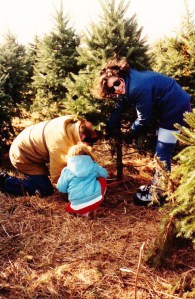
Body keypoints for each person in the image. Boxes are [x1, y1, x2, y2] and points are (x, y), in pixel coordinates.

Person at [93, 58, 191, 205]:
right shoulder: (126, 80)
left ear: (119, 76)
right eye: (111, 89)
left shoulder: (137, 87)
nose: (117, 89)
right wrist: (111, 123)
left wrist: (129, 133)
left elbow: (143, 119)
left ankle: (160, 193)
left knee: (162, 150)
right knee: (160, 149)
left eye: (116, 84)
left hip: (175, 110)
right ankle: (158, 183)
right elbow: (121, 103)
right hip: (167, 108)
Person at [0, 115, 100, 197]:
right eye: (90, 143)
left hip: (31, 149)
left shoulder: (73, 125)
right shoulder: (60, 142)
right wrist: (73, 192)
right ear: (82, 137)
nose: (91, 146)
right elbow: (57, 175)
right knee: (45, 190)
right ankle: (5, 182)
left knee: (44, 183)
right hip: (22, 155)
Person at [56, 142, 108, 217]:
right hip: (96, 200)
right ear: (89, 155)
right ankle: (91, 210)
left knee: (68, 207)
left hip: (77, 204)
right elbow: (105, 174)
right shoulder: (94, 166)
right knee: (102, 180)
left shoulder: (67, 170)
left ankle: (83, 213)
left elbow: (61, 188)